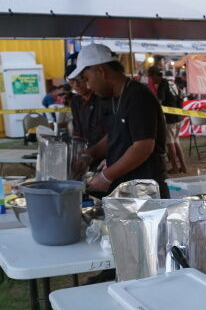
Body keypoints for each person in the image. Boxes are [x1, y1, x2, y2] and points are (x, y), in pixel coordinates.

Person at [68, 43, 170, 198]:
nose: (87, 85)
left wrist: (106, 176)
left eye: (87, 78)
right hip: (126, 185)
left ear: (101, 71)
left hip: (144, 187)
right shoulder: (113, 98)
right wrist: (91, 154)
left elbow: (143, 146)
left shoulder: (137, 96)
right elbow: (115, 135)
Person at [146, 66, 188, 174]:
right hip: (178, 117)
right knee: (176, 142)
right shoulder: (172, 83)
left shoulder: (162, 84)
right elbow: (180, 97)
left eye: (152, 77)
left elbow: (159, 101)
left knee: (170, 144)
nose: (152, 80)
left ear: (155, 75)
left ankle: (175, 167)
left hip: (170, 118)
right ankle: (183, 167)